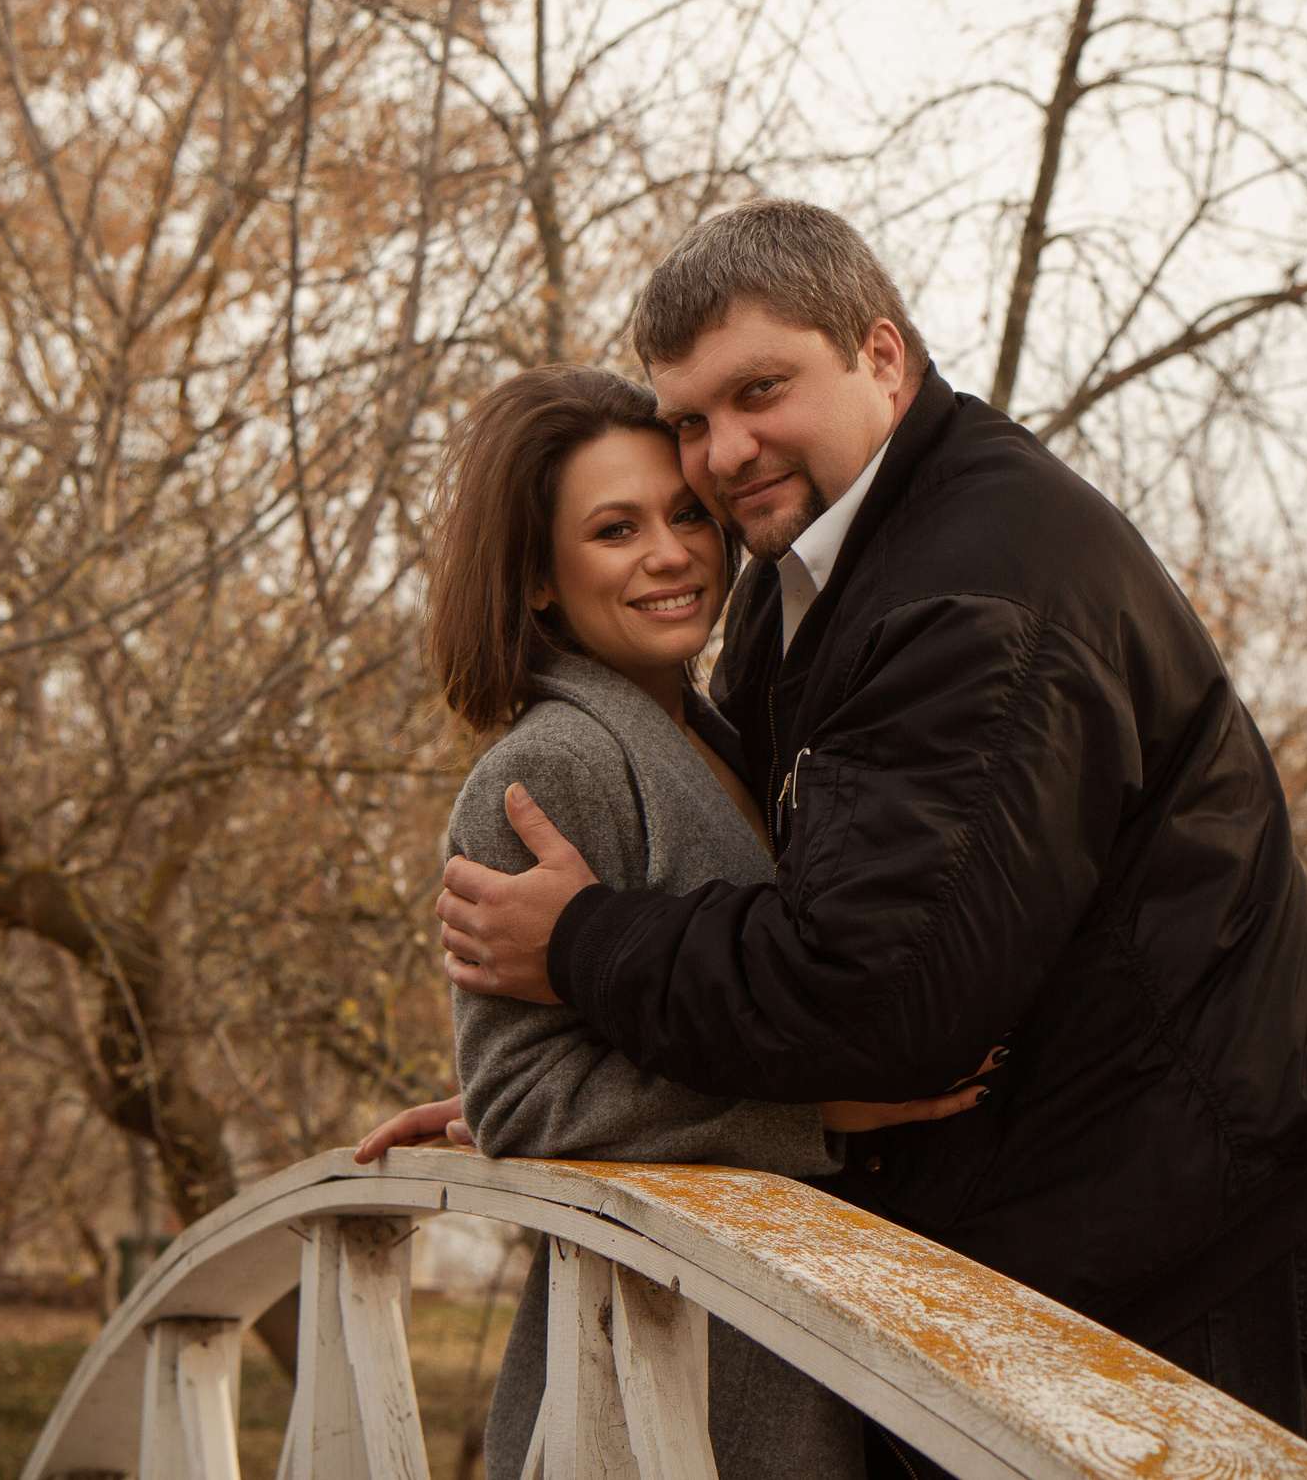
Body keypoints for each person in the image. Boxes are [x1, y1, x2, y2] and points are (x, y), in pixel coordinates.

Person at [433, 200, 1307, 1444]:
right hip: (1044, 1238)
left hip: (1179, 1252)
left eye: (758, 390)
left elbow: (876, 1004)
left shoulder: (971, 589)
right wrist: (554, 1095)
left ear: (881, 357)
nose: (720, 457)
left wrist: (582, 948)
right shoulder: (809, 585)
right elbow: (824, 921)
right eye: (691, 421)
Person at [365, 365, 982, 1480]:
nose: (671, 553)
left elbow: (613, 1040)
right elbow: (527, 1093)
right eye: (614, 529)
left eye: (685, 515)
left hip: (762, 1332)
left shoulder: (729, 729)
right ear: (539, 582)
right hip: (650, 1368)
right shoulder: (550, 765)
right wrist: (819, 1107)